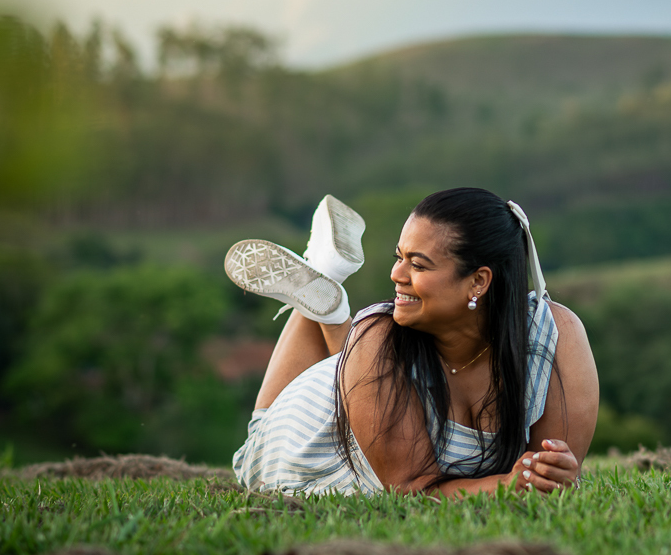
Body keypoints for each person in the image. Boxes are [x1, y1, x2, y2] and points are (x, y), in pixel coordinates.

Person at [224, 188, 600, 496]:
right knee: (264, 428)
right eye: (399, 257)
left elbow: (549, 479)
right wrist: (506, 484)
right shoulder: (377, 335)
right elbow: (409, 489)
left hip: (371, 380)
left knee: (364, 356)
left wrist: (552, 472)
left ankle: (328, 283)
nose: (396, 274)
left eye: (418, 265)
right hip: (301, 441)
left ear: (479, 281)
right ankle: (326, 279)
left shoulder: (556, 337)